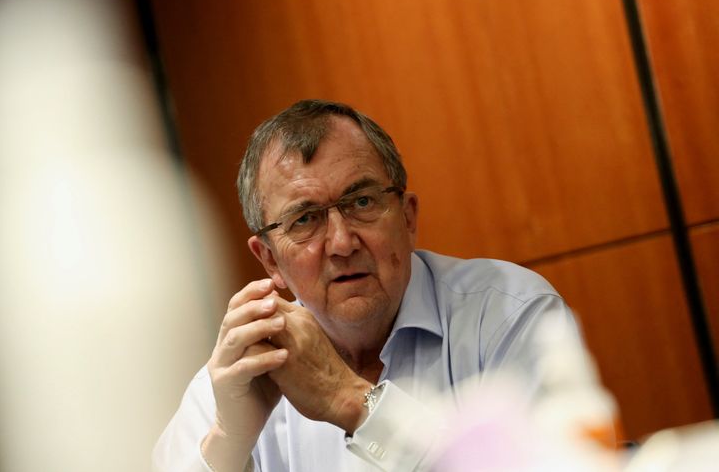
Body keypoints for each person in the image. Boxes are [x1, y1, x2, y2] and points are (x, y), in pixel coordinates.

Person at [153, 99, 580, 471]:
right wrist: (229, 440)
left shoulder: (509, 314)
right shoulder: (240, 373)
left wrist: (350, 401)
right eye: (304, 219)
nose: (341, 242)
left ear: (408, 218)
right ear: (270, 260)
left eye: (361, 203)